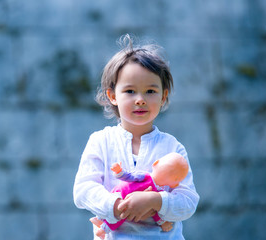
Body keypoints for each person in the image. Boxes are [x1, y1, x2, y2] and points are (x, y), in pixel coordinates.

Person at [73, 34, 199, 240]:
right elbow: (83, 189)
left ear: (163, 96)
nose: (140, 100)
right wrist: (115, 205)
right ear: (112, 96)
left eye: (150, 91)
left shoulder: (173, 148)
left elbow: (188, 201)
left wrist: (156, 201)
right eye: (130, 91)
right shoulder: (101, 141)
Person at [90, 152, 189, 239]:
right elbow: (130, 176)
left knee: (122, 217)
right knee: (113, 209)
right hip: (119, 194)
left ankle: (103, 229)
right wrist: (120, 172)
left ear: (156, 163)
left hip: (128, 206)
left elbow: (154, 213)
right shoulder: (146, 176)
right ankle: (100, 220)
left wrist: (162, 222)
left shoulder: (157, 194)